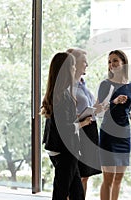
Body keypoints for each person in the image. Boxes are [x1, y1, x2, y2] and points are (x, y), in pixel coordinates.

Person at [41, 52, 92, 200]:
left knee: (76, 193)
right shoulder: (64, 96)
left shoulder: (56, 93)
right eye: (73, 66)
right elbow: (66, 129)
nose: (74, 69)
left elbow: (60, 122)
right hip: (65, 150)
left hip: (58, 148)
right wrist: (82, 122)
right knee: (61, 192)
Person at [98, 50, 131, 200]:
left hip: (124, 135)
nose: (111, 64)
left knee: (118, 180)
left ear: (124, 63)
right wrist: (114, 102)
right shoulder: (105, 84)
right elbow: (98, 109)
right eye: (109, 62)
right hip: (108, 134)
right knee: (108, 179)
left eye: (115, 60)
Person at [67, 48, 102, 197]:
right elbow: (66, 114)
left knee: (85, 175)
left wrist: (100, 107)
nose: (87, 64)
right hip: (79, 131)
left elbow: (92, 107)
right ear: (74, 64)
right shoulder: (69, 86)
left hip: (90, 130)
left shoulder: (83, 84)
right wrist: (86, 114)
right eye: (84, 61)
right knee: (75, 176)